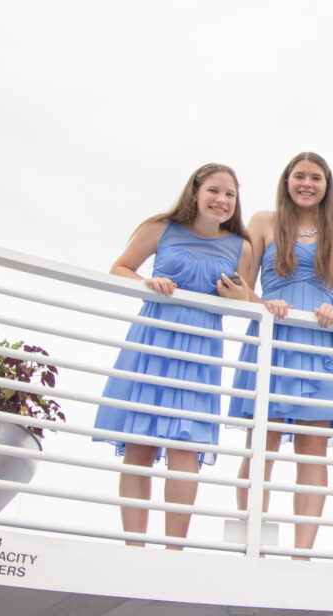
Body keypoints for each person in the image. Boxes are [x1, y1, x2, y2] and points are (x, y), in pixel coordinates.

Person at [94, 163, 253, 548]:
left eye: (229, 194)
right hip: (155, 340)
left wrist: (239, 297)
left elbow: (247, 300)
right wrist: (147, 282)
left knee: (186, 447)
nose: (221, 200)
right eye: (214, 191)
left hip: (201, 351)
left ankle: (174, 550)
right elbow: (120, 268)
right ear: (195, 192)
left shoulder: (241, 246)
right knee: (140, 444)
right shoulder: (160, 228)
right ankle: (134, 546)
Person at [227, 152, 333, 555]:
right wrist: (262, 303)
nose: (307, 183)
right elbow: (238, 284)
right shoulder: (263, 222)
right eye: (299, 176)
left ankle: (301, 552)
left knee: (312, 451)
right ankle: (255, 542)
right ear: (287, 181)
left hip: (322, 341)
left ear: (327, 185)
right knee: (261, 442)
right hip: (274, 335)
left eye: (315, 178)